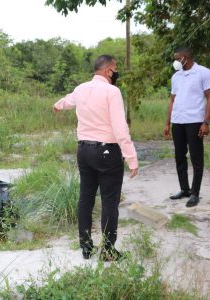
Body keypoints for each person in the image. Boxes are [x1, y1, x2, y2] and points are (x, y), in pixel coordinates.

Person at [53, 55, 138, 261]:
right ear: (108, 71)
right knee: (109, 202)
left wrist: (57, 105)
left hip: (84, 150)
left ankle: (86, 247)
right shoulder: (112, 91)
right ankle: (108, 251)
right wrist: (131, 157)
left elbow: (67, 101)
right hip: (106, 151)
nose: (116, 73)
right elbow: (120, 127)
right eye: (115, 69)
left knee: (86, 198)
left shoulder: (81, 88)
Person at [164, 47, 210, 207]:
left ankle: (195, 193)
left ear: (186, 57)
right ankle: (184, 189)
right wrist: (167, 122)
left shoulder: (203, 72)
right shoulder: (176, 77)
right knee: (179, 156)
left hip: (195, 121)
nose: (176, 62)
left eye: (178, 58)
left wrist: (206, 122)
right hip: (178, 121)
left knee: (196, 158)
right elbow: (173, 100)